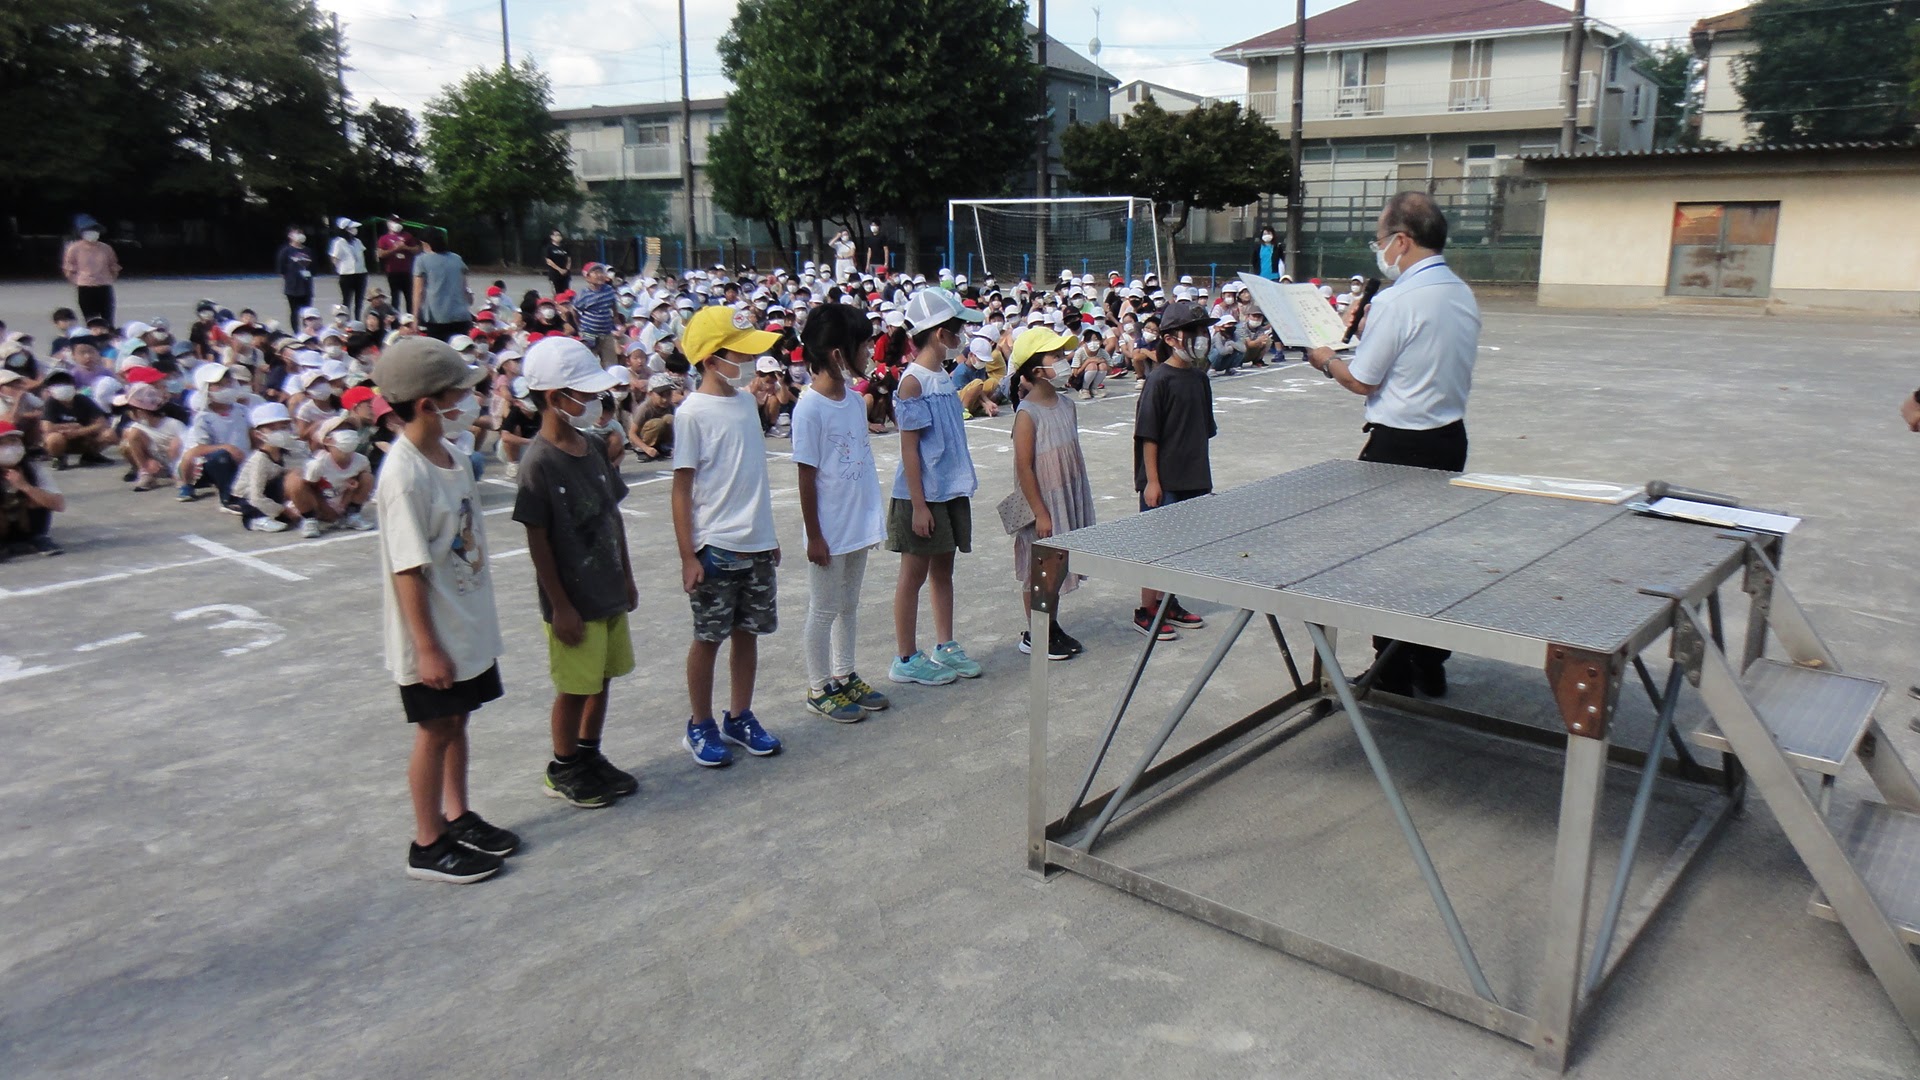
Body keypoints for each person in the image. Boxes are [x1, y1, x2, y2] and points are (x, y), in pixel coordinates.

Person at [1307, 191, 1479, 698]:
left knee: (1389, 561)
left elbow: (1362, 379)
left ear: (1402, 241)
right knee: (1431, 555)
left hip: (1400, 445)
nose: (1379, 250)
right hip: (1449, 439)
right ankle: (1430, 661)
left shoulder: (1397, 299)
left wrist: (1322, 357)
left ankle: (1393, 668)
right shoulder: (1461, 292)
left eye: (1381, 240)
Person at [372, 336, 517, 883]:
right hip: (430, 632)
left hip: (464, 621)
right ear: (429, 404)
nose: (471, 401)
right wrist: (427, 647)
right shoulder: (404, 474)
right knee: (434, 728)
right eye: (461, 393)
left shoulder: (452, 456)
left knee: (459, 720)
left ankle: (458, 814)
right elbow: (407, 568)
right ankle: (428, 840)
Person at [512, 337, 639, 808]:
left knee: (603, 676)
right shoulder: (539, 462)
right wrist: (560, 605)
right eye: (582, 395)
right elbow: (537, 538)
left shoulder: (590, 446)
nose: (591, 403)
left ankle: (589, 753)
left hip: (606, 585)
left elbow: (613, 514)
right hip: (573, 599)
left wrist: (626, 574)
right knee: (574, 686)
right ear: (553, 398)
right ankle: (563, 765)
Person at [673, 306, 785, 767]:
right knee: (709, 637)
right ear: (712, 357)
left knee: (748, 633)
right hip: (716, 547)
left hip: (756, 543)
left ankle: (740, 715)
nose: (746, 362)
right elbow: (682, 490)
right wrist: (688, 555)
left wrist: (769, 533)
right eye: (739, 353)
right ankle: (699, 724)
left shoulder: (743, 403)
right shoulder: (692, 413)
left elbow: (752, 475)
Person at [792, 304, 891, 723]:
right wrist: (815, 535)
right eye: (863, 344)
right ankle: (818, 687)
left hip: (856, 523)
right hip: (828, 531)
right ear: (837, 353)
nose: (870, 350)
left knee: (849, 605)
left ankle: (844, 674)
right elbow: (806, 477)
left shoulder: (853, 401)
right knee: (824, 607)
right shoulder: (809, 409)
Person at [886, 288, 984, 687]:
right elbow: (910, 450)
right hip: (921, 496)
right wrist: (920, 506)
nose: (963, 336)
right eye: (958, 329)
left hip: (949, 489)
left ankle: (945, 645)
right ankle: (906, 657)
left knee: (944, 570)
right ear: (942, 334)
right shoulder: (913, 383)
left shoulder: (941, 375)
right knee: (914, 574)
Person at [1132, 300, 1217, 640]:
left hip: (1192, 477)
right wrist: (1152, 481)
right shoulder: (1159, 380)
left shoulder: (1199, 379)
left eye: (1203, 331)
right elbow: (1148, 435)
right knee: (1156, 545)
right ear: (1170, 338)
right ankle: (1146, 608)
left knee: (1179, 546)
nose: (1201, 337)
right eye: (1193, 332)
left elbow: (1204, 429)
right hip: (1163, 480)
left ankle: (1169, 600)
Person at [1008, 326, 1092, 660]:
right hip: (1042, 502)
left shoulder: (1067, 406)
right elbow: (1025, 468)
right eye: (1054, 356)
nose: (1062, 361)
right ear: (1034, 368)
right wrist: (1041, 512)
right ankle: (1037, 632)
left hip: (1065, 495)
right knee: (1040, 570)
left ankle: (1050, 624)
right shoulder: (1027, 413)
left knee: (1055, 568)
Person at [177, 364, 252, 509]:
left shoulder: (242, 411)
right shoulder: (204, 417)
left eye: (227, 383)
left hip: (243, 461)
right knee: (221, 456)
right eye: (218, 385)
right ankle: (228, 498)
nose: (226, 388)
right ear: (207, 390)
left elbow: (251, 435)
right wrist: (228, 448)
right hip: (216, 465)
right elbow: (200, 449)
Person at [233, 403, 314, 534]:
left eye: (283, 427)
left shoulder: (291, 450)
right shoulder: (259, 459)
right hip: (250, 496)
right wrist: (283, 511)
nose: (280, 433)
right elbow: (256, 496)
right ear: (259, 434)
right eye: (272, 429)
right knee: (260, 504)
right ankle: (255, 520)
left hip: (274, 490)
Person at [303, 416, 377, 536]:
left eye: (350, 429)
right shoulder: (318, 463)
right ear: (327, 440)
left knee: (367, 477)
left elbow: (358, 483)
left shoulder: (361, 461)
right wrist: (324, 507)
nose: (347, 433)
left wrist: (348, 495)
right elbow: (308, 488)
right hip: (322, 503)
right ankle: (311, 520)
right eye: (341, 430)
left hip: (343, 500)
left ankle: (352, 515)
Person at [0, 421, 63, 556]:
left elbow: (59, 505)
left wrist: (25, 487)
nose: (10, 448)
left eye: (13, 442)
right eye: (2, 444)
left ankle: (37, 537)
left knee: (37, 496)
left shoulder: (34, 469)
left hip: (27, 524)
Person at [38, 371, 112, 468]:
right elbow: (46, 427)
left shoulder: (83, 400)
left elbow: (102, 423)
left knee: (109, 434)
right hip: (62, 438)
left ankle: (90, 455)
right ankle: (58, 457)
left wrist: (79, 431)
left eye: (65, 383)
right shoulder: (51, 403)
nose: (62, 387)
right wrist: (69, 427)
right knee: (54, 439)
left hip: (84, 438)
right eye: (57, 384)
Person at [412, 229, 471, 342]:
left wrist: (415, 318)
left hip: (437, 316)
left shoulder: (421, 260)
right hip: (461, 315)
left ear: (425, 243)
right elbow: (464, 287)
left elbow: (418, 292)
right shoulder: (457, 258)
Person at [61, 216, 120, 325]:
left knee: (108, 318)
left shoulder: (106, 248)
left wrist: (111, 277)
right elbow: (68, 267)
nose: (92, 233)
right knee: (90, 318)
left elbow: (114, 265)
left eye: (95, 230)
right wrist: (77, 280)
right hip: (85, 287)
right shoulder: (74, 248)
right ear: (82, 233)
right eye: (88, 231)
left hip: (104, 286)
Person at [573, 261, 620, 366]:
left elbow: (613, 304)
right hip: (589, 333)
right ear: (587, 277)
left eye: (601, 272)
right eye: (596, 272)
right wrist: (579, 326)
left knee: (610, 362)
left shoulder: (609, 290)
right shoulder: (583, 295)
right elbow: (575, 310)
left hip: (606, 332)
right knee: (590, 361)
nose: (600, 275)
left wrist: (616, 317)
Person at [630, 372, 680, 461]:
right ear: (650, 394)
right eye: (661, 395)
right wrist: (646, 448)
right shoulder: (645, 408)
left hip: (661, 438)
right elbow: (632, 433)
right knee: (657, 423)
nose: (665, 399)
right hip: (643, 440)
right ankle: (644, 451)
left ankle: (665, 447)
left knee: (670, 418)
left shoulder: (670, 406)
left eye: (668, 394)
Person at [376, 218, 421, 315]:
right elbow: (380, 254)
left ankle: (411, 318)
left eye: (399, 222)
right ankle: (395, 320)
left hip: (407, 271)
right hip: (393, 272)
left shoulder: (407, 236)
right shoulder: (384, 238)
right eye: (396, 222)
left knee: (409, 297)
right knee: (395, 297)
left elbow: (417, 250)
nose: (398, 224)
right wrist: (395, 249)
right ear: (389, 224)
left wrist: (405, 247)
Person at [275, 225, 315, 325]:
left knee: (307, 312)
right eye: (297, 233)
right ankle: (296, 332)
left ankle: (307, 330)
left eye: (301, 233)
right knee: (294, 311)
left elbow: (314, 268)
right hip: (292, 287)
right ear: (290, 235)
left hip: (306, 286)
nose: (300, 235)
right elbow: (281, 269)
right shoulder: (285, 251)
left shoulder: (308, 251)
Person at [330, 218, 368, 319]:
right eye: (352, 228)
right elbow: (334, 258)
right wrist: (340, 269)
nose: (355, 230)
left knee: (359, 300)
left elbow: (362, 253)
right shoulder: (339, 242)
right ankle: (346, 320)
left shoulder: (357, 241)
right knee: (347, 300)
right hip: (346, 274)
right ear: (345, 229)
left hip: (360, 273)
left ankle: (357, 319)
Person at [543, 230, 572, 296]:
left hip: (565, 275)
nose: (558, 237)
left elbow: (569, 259)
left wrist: (566, 269)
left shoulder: (565, 247)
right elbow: (549, 261)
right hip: (555, 274)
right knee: (557, 294)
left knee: (566, 293)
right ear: (552, 237)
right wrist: (559, 269)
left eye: (559, 235)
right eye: (556, 235)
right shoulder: (549, 248)